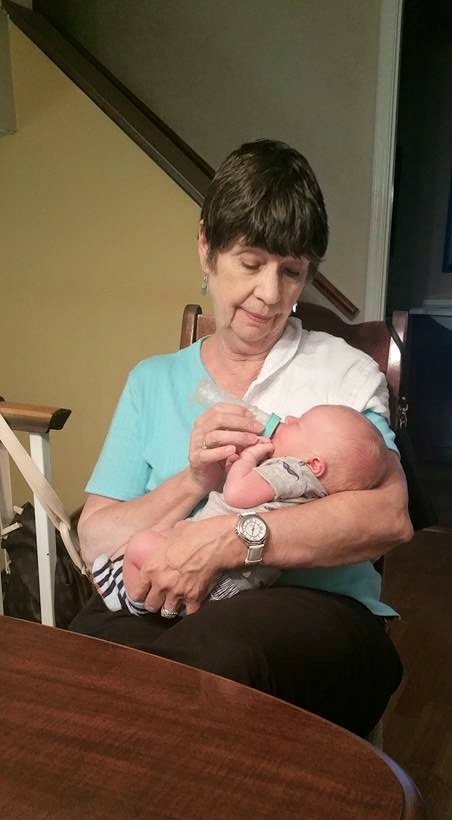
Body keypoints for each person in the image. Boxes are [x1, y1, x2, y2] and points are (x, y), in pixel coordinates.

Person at [72, 138, 412, 737]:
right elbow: (96, 536)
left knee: (216, 659)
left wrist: (231, 540)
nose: (271, 295)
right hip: (163, 601)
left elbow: (389, 517)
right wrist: (193, 481)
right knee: (83, 659)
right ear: (207, 248)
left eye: (292, 272)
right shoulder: (152, 381)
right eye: (251, 263)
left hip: (316, 611)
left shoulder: (344, 374)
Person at [91, 404, 388, 614]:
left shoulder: (289, 470)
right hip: (238, 586)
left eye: (299, 424)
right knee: (161, 539)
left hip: (215, 577)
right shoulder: (312, 493)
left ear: (315, 464)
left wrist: (248, 459)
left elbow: (237, 494)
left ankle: (129, 597)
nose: (288, 417)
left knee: (142, 542)